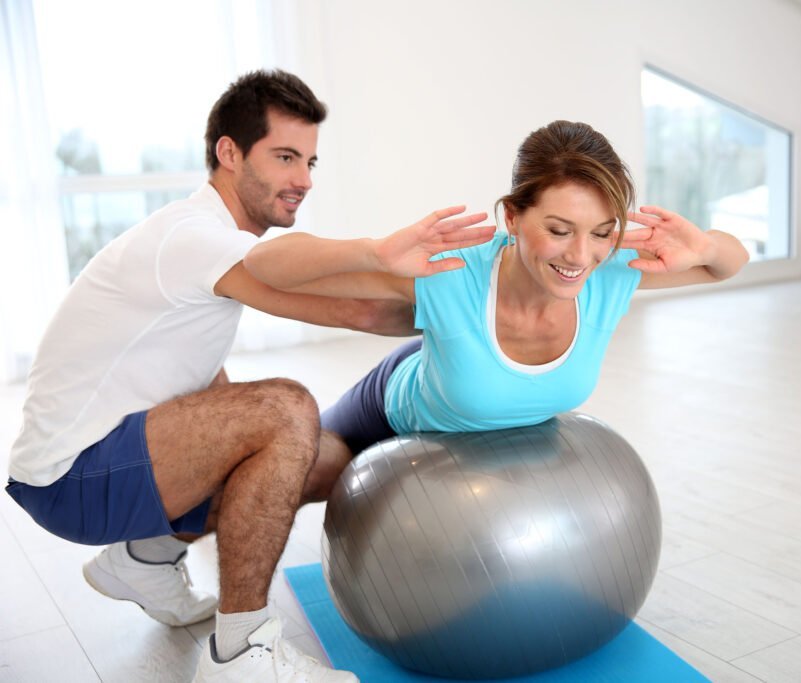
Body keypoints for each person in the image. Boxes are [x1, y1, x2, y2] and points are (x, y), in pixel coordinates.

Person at [6, 69, 492, 683]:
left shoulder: (217, 249)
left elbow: (356, 311)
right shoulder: (192, 235)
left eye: (310, 162)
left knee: (320, 458)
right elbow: (292, 271)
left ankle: (143, 560)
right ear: (229, 153)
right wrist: (376, 252)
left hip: (111, 459)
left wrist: (484, 316)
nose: (303, 179)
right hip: (70, 476)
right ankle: (241, 653)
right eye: (285, 157)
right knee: (286, 409)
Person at [244, 120, 750, 454]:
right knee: (308, 467)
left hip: (469, 416)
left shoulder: (612, 269)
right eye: (558, 230)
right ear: (512, 217)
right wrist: (374, 252)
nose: (581, 256)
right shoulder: (450, 270)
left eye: (601, 232)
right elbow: (264, 265)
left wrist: (705, 246)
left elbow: (731, 261)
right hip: (398, 405)